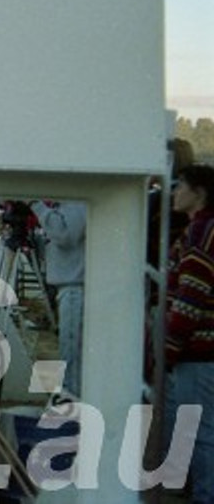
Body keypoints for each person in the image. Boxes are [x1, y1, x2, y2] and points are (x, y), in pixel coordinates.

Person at [164, 163, 214, 502]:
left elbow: (191, 294)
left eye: (179, 185)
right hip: (197, 351)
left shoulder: (202, 231)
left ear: (199, 193)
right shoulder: (198, 229)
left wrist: (169, 346)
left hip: (198, 351)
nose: (173, 192)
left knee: (199, 431)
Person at [30, 200, 87, 400]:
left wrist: (35, 204)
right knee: (67, 351)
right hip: (68, 287)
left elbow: (66, 235)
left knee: (71, 354)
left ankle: (71, 401)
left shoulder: (78, 200)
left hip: (75, 287)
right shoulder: (66, 202)